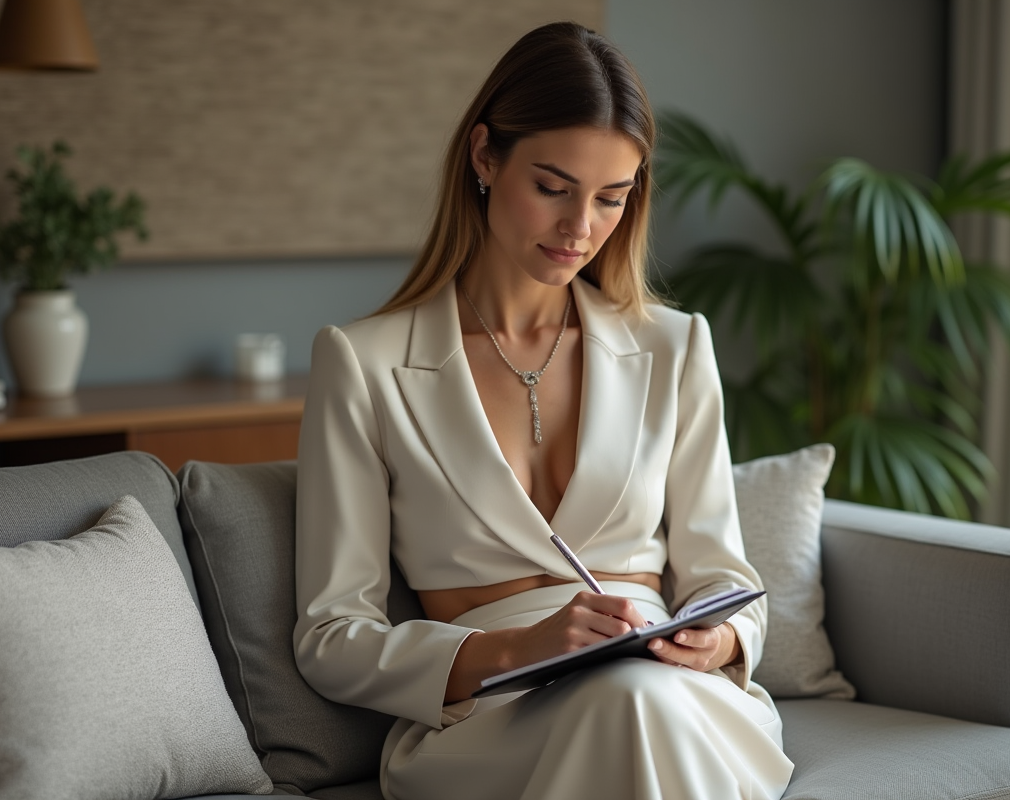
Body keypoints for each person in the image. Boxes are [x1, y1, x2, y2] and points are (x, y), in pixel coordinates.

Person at [294, 21, 794, 800]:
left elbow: (724, 575)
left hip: (675, 696)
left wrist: (718, 636)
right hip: (494, 714)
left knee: (636, 699)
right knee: (627, 708)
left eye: (611, 199)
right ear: (485, 156)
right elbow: (332, 637)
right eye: (553, 188)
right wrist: (515, 649)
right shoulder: (364, 363)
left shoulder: (674, 346)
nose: (581, 228)